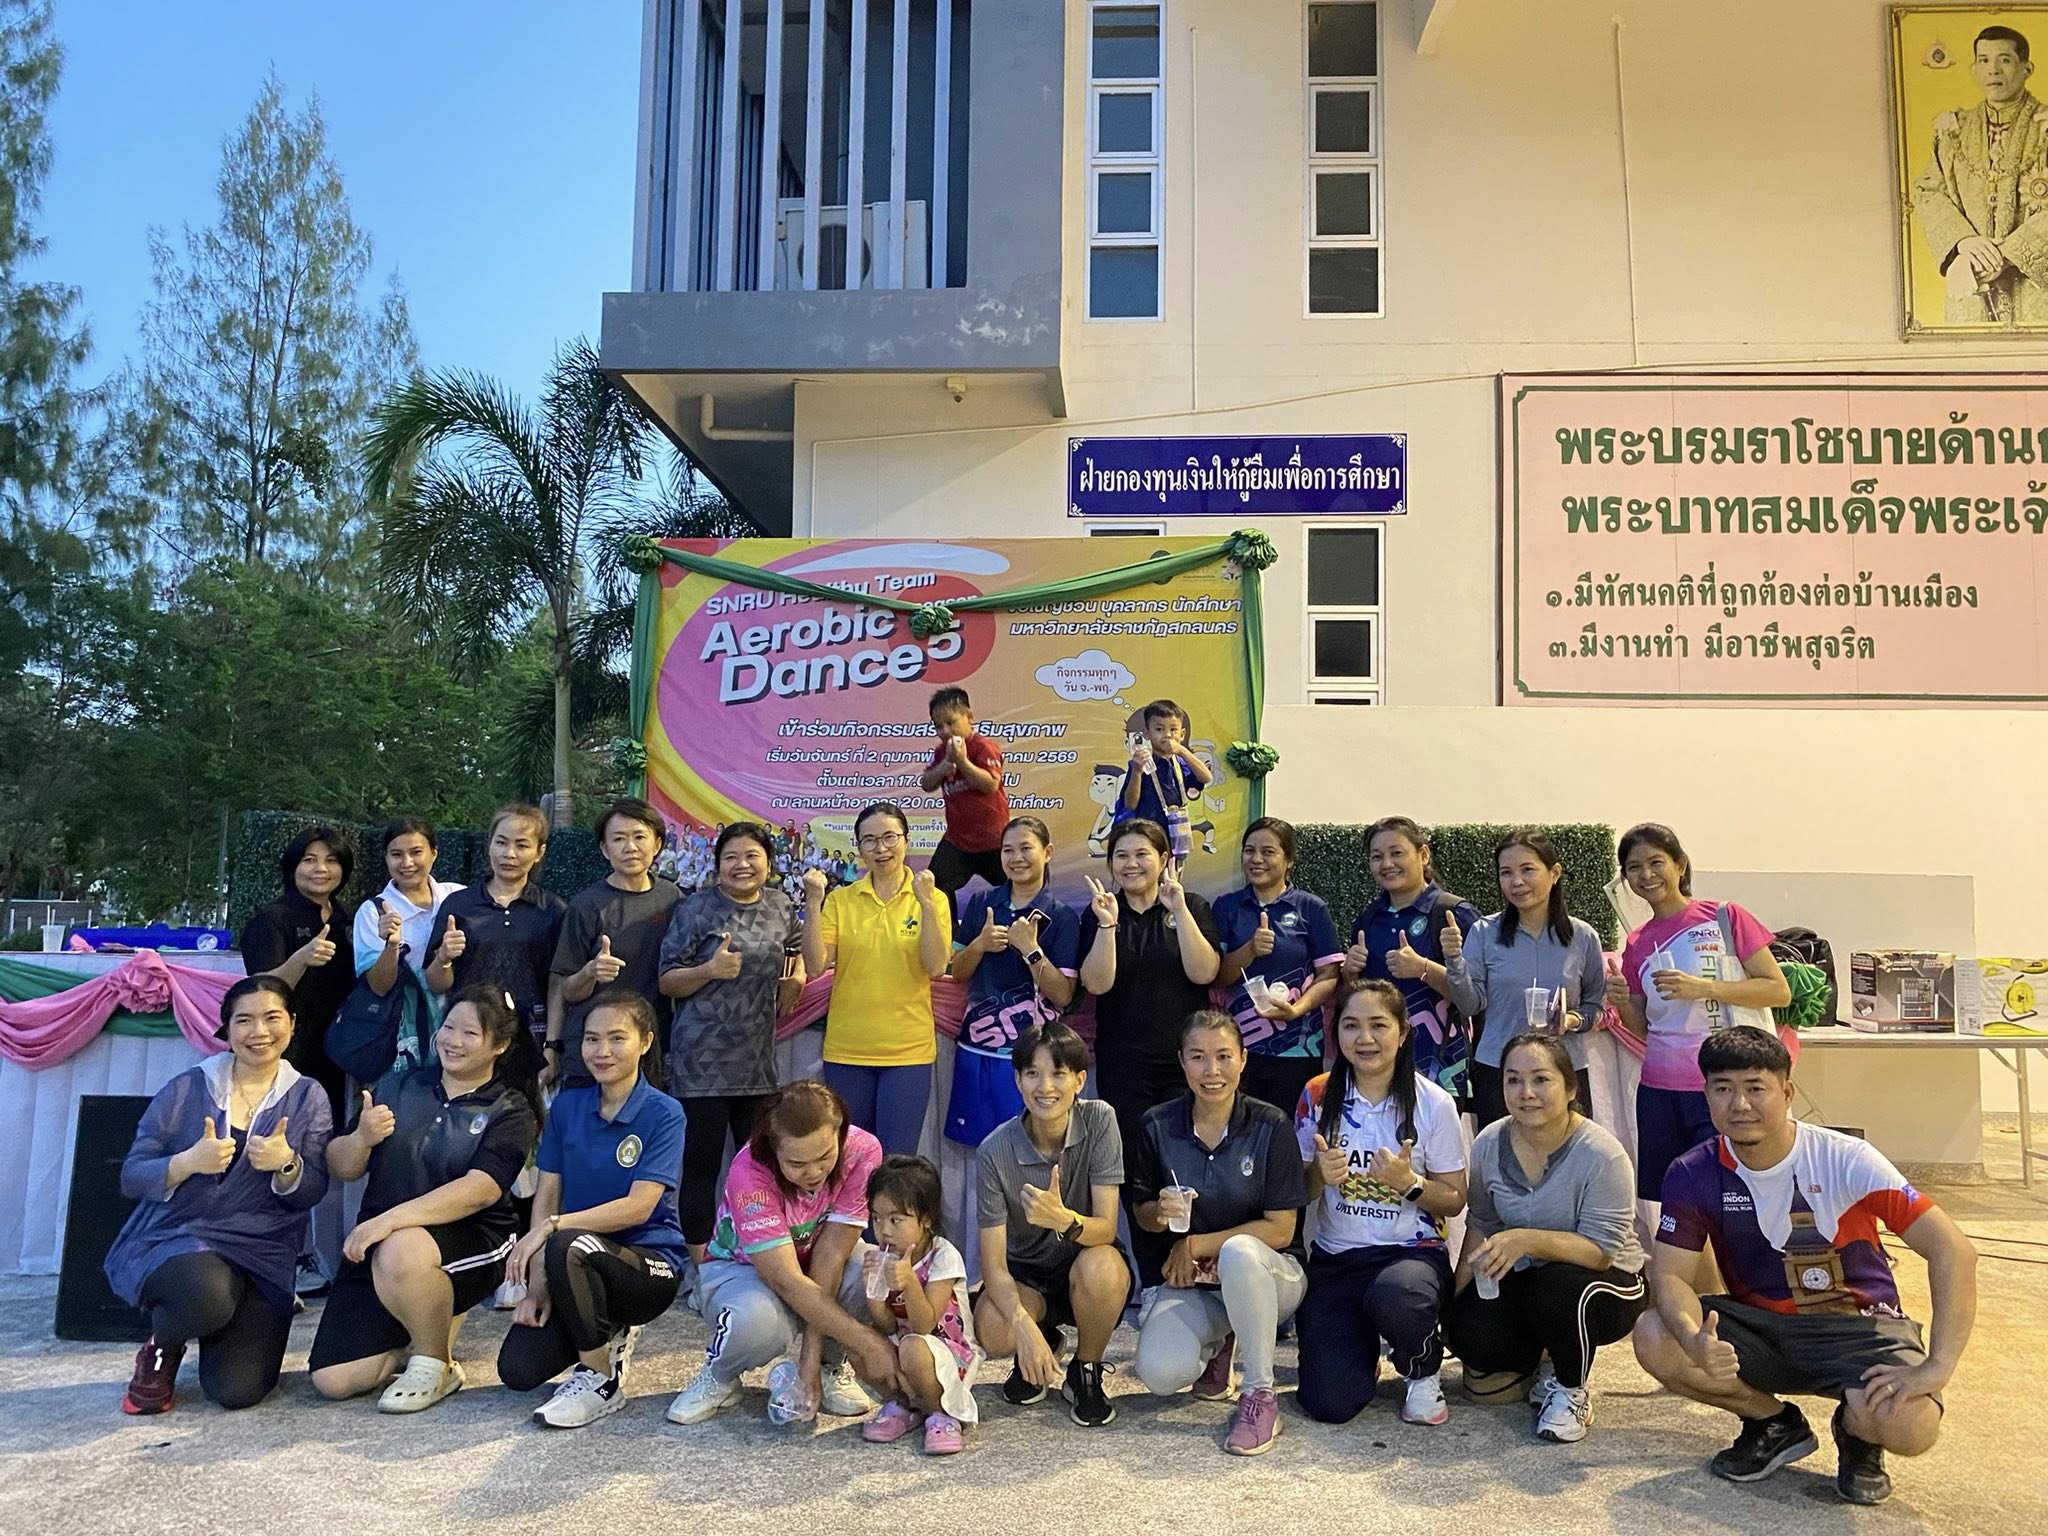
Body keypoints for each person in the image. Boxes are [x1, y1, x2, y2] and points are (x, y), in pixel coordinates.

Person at [1633, 1030, 1978, 1506]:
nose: (1740, 1104)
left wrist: (1938, 1365)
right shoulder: (1692, 1171)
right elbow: (1671, 1275)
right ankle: (1772, 1423)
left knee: (1911, 1427)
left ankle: (1858, 1434)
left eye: (1756, 1088)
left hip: (1858, 1327)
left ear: (1787, 1092)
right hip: (1764, 1327)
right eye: (1723, 1088)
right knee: (1656, 1335)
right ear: (1706, 1095)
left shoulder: (1845, 1158)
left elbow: (1953, 1251)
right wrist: (1695, 1339)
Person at [307, 986, 542, 1412]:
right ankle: (423, 1321)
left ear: (500, 1046)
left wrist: (388, 1220)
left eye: (470, 1033)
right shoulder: (399, 1084)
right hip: (383, 1244)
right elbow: (342, 1165)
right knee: (334, 1380)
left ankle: (436, 1363)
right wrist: (361, 1138)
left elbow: (482, 1189)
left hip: (472, 1238)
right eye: (448, 1027)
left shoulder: (509, 1109)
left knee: (402, 1248)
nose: (453, 1041)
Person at [108, 976, 334, 1414]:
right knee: (205, 1296)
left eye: (272, 1018)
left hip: (265, 1253)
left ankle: (219, 1316)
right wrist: (187, 1162)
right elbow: (132, 1176)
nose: (259, 1031)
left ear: (292, 1024)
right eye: (244, 1020)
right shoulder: (187, 1087)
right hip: (183, 1239)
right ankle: (163, 1345)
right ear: (226, 1030)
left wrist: (287, 1163)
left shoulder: (309, 1096)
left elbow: (312, 1191)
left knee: (238, 1391)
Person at [496, 990, 687, 1428]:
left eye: (617, 1038)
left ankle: (601, 1378)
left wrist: (553, 1228)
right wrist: (538, 1287)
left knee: (569, 1242)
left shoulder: (665, 1113)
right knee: (518, 1370)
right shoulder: (567, 1107)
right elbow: (546, 1196)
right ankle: (605, 1328)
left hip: (649, 1265)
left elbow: (638, 1208)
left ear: (645, 1042)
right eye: (591, 1039)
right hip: (575, 1260)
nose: (602, 1051)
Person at [1446, 1033, 1647, 1444]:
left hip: (1607, 1281)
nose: (1526, 1092)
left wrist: (1526, 1240)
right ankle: (1546, 1354)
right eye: (1513, 1080)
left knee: (1556, 1287)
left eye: (1541, 1079)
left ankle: (1571, 1389)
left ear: (1570, 1088)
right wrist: (1452, 1305)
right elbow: (1481, 1224)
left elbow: (1601, 1252)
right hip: (1529, 1276)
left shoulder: (1602, 1154)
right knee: (1472, 1335)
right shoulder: (1489, 1143)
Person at [666, 1080, 901, 1427]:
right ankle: (720, 1374)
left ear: (840, 1133)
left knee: (867, 1274)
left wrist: (810, 1363)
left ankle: (830, 1367)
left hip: (814, 1256)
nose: (814, 1172)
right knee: (758, 1321)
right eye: (796, 1163)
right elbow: (786, 1280)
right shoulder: (749, 1171)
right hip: (742, 1268)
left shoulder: (863, 1151)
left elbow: (833, 1252)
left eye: (825, 1156)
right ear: (773, 1150)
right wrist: (867, 1342)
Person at [1129, 1010, 1306, 1456]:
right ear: (1181, 1061)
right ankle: (1223, 1339)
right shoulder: (1156, 1124)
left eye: (1224, 1056)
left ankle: (1259, 1394)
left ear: (1243, 1059)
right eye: (1198, 1057)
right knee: (1161, 1373)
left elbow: (1281, 1229)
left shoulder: (1271, 1125)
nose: (1212, 1071)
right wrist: (1159, 1213)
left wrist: (1195, 1244)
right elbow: (1141, 1212)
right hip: (1201, 1284)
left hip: (1272, 1275)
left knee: (1240, 1252)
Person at [1294, 980, 1468, 1430]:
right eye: (1351, 1025)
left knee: (1399, 1295)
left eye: (1379, 1025)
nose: (1365, 1038)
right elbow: (1298, 1193)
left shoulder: (1434, 1102)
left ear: (1403, 1032)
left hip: (1410, 1257)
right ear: (1336, 1032)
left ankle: (1421, 1367)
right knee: (1328, 1404)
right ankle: (1361, 1354)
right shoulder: (1316, 1094)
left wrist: (1410, 1184)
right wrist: (1319, 1175)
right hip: (1338, 1259)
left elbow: (1454, 1199)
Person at [1604, 823, 1791, 1201]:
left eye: (1656, 862)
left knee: (1729, 1194)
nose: (1646, 875)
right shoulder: (1637, 941)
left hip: (1723, 1086)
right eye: (1634, 868)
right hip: (1659, 1089)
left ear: (1680, 865)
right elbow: (1642, 1027)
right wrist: (1621, 1000)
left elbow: (1778, 991)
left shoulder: (1725, 917)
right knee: (1673, 1196)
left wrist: (1704, 988)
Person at [1078, 818, 1221, 1281]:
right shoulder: (1100, 911)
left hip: (1187, 1065)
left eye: (1142, 854)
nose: (1131, 864)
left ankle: (1199, 1269)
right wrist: (1107, 926)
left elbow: (1205, 973)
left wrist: (1178, 910)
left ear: (1163, 859)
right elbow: (1096, 984)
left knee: (1188, 1163)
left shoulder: (1191, 905)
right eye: (1121, 856)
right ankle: (1154, 1279)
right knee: (1138, 1171)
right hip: (1125, 1064)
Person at [658, 821, 805, 1261]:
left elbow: (798, 949)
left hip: (757, 1060)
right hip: (700, 1061)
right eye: (731, 857)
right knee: (701, 1167)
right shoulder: (695, 909)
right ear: (717, 864)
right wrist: (708, 971)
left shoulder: (780, 906)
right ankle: (700, 1266)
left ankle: (760, 1256)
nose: (742, 865)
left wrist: (797, 978)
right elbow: (666, 980)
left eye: (752, 856)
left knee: (760, 1168)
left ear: (769, 863)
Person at [973, 1020, 1131, 1428]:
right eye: (1033, 1073)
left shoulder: (1100, 1120)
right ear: (1018, 1080)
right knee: (994, 1328)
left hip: (1084, 1262)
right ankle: (1043, 1338)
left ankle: (1085, 1369)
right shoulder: (993, 1151)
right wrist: (1023, 1326)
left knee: (1104, 1267)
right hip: (1027, 1276)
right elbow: (993, 1265)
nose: (1045, 1087)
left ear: (1079, 1080)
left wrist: (1064, 1220)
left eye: (1059, 1073)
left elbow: (1107, 1228)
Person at [801, 802, 951, 1155]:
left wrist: (927, 905)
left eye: (889, 837)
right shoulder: (841, 900)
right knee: (850, 1160)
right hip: (847, 1050)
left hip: (907, 1053)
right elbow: (815, 965)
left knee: (897, 1162)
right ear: (859, 847)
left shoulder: (932, 898)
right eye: (869, 840)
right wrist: (813, 903)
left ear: (906, 840)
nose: (881, 848)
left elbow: (936, 967)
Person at [1447, 829, 1607, 1128]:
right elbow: (1469, 1005)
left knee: (1568, 1153)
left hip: (1564, 1069)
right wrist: (1454, 960)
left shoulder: (1583, 936)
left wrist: (1571, 1020)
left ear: (1554, 873)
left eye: (1527, 870)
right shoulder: (1484, 932)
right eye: (1506, 873)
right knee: (1502, 1154)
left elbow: (1595, 1006)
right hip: (1499, 1070)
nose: (1516, 881)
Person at [945, 815, 1081, 1148]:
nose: (1016, 858)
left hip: (1036, 1060)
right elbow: (957, 972)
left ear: (1047, 852)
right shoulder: (982, 903)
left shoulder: (1062, 916)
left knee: (1034, 1151)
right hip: (977, 1049)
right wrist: (980, 945)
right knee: (979, 1153)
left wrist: (1031, 950)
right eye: (1008, 850)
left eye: (1025, 848)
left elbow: (1063, 995)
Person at [1912, 25, 2048, 327]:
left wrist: (2007, 254)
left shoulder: (2045, 127)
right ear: (1974, 69)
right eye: (1984, 60)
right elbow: (1929, 191)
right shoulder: (1954, 130)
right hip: (1969, 276)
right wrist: (1964, 242)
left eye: (2005, 60)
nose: (1993, 70)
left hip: (2036, 289)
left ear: (2027, 69)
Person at [547, 797, 683, 1091]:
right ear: (604, 849)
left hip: (649, 1049)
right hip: (594, 1053)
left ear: (658, 844)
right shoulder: (585, 906)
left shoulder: (673, 899)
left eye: (639, 837)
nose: (630, 847)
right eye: (619, 839)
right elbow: (566, 989)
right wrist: (590, 972)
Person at [1339, 816, 1478, 1099]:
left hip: (1442, 1070)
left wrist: (1422, 968)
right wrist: (1350, 973)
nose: (1387, 863)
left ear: (1423, 855)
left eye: (1397, 853)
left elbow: (1477, 998)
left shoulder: (1454, 913)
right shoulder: (1369, 919)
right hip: (1379, 1069)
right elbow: (1355, 997)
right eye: (1377, 856)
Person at [1213, 817, 1343, 1115]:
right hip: (1238, 1049)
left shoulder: (1311, 908)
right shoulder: (1227, 906)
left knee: (1295, 1129)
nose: (1256, 859)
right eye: (1249, 851)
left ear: (1289, 860)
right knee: (1241, 1128)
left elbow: (1328, 975)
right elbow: (1216, 976)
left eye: (1268, 852)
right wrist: (1249, 950)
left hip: (1299, 1048)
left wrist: (1297, 1010)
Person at [855, 1155, 979, 1455]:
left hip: (948, 1353)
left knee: (912, 1346)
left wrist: (910, 1282)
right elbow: (886, 1324)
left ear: (925, 1219)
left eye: (895, 1219)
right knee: (858, 1343)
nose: (884, 1230)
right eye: (876, 1218)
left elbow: (925, 1324)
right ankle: (903, 1406)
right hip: (906, 1343)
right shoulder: (886, 1254)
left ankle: (941, 1413)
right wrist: (873, 1291)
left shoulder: (943, 1256)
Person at [238, 824, 357, 1120]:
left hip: (337, 1049)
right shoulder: (271, 919)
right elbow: (259, 993)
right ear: (293, 868)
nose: (321, 869)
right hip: (284, 1048)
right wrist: (301, 959)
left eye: (332, 860)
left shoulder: (350, 919)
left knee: (326, 1127)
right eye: (309, 860)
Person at [424, 803, 566, 1043]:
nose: (509, 853)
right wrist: (444, 958)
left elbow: (558, 984)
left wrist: (552, 1045)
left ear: (539, 852)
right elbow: (436, 984)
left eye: (522, 845)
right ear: (489, 844)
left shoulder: (552, 909)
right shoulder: (459, 904)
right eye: (501, 842)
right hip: (467, 1034)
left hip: (530, 1036)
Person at [917, 685, 1009, 923]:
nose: (945, 731)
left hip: (994, 841)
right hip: (958, 842)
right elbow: (926, 783)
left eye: (951, 722)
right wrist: (943, 767)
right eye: (939, 726)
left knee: (1019, 886)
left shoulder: (984, 746)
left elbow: (990, 785)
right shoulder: (941, 752)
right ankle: (949, 936)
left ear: (969, 717)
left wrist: (962, 762)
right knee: (933, 887)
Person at [352, 817, 464, 1001]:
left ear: (434, 853)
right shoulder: (373, 912)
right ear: (386, 858)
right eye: (396, 854)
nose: (407, 863)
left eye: (416, 852)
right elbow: (378, 987)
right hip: (402, 1017)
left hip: (462, 1015)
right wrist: (392, 946)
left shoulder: (458, 896)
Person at [1114, 699, 1212, 863]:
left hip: (1176, 837)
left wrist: (1182, 751)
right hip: (1147, 837)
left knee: (1175, 874)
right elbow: (1130, 804)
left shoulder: (1181, 762)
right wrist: (1137, 771)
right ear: (1147, 733)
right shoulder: (1141, 763)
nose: (1167, 735)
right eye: (1159, 729)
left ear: (1182, 734)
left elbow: (1206, 777)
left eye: (1173, 730)